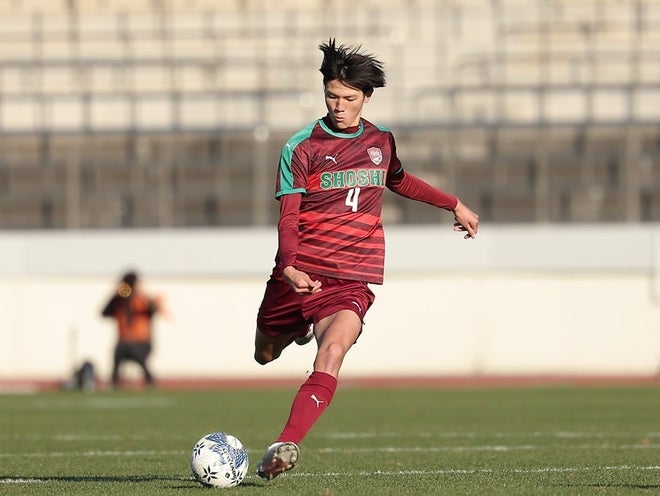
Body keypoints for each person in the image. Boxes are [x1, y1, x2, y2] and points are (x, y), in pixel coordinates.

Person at [253, 38, 479, 481]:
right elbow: (289, 215)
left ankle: (285, 444)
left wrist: (453, 203)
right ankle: (295, 328)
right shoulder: (301, 146)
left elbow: (401, 181)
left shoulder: (380, 141)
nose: (339, 106)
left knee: (332, 352)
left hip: (349, 277)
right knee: (264, 354)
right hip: (298, 272)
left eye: (349, 98)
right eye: (331, 96)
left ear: (367, 97)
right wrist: (289, 266)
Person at [101, 270, 164, 389]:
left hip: (142, 342)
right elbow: (104, 312)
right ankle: (113, 381)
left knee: (135, 352)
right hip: (124, 342)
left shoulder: (141, 300)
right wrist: (117, 295)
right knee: (119, 351)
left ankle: (150, 380)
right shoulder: (118, 302)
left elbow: (154, 309)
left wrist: (140, 293)